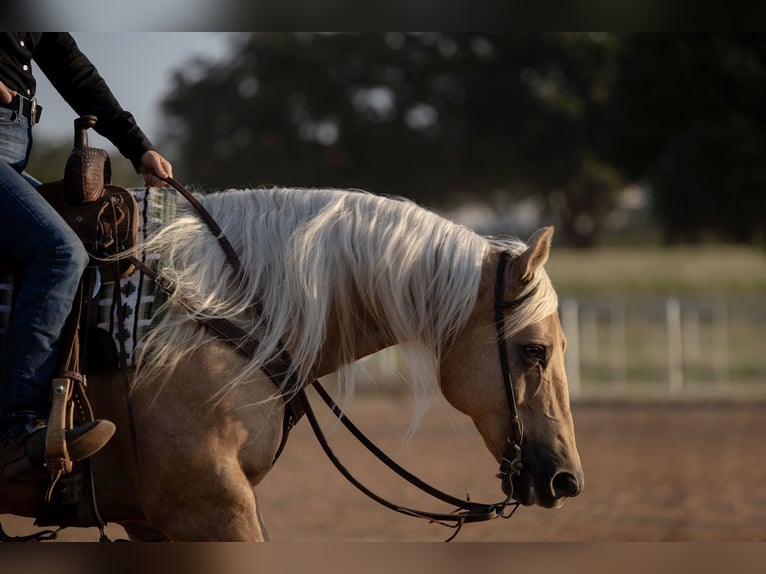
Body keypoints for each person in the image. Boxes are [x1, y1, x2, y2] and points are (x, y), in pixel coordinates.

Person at [0, 33, 173, 482]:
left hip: (14, 151)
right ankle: (17, 429)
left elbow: (75, 72)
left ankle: (68, 411)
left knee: (93, 243)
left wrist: (137, 147)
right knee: (59, 253)